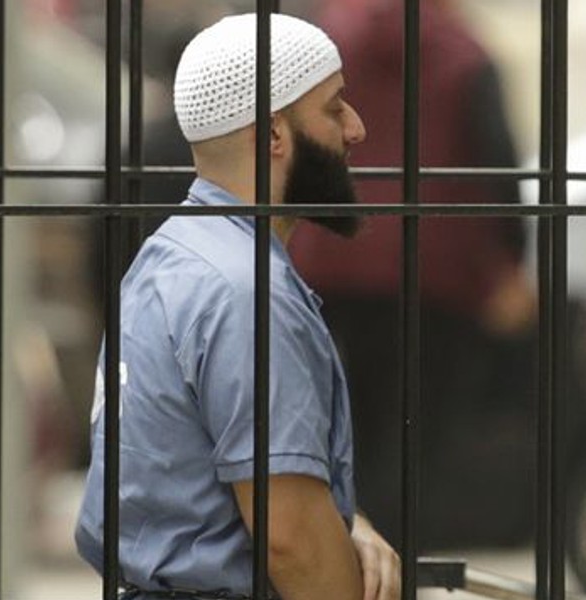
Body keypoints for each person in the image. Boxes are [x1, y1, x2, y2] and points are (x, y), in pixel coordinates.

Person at [74, 13, 400, 600]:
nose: (355, 128)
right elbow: (289, 540)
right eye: (333, 107)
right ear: (274, 135)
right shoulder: (244, 290)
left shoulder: (173, 256)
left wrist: (351, 525)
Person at [289, 0, 536, 548]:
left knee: (338, 423)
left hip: (332, 262)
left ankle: (346, 553)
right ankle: (402, 558)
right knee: (418, 434)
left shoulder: (326, 39)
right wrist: (511, 260)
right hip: (435, 270)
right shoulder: (464, 53)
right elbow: (497, 160)